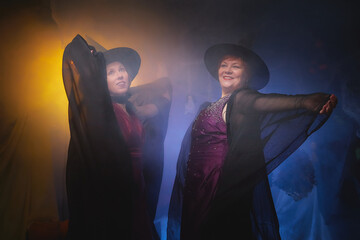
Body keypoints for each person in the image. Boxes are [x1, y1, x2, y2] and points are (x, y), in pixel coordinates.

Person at [167, 43, 337, 240]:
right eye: (224, 64)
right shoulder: (207, 106)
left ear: (247, 75)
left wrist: (304, 102)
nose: (228, 70)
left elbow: (263, 102)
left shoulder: (241, 98)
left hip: (220, 187)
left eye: (236, 66)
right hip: (195, 188)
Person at [62, 34, 170, 240]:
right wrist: (91, 59)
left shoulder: (131, 108)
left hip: (138, 186)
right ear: (101, 81)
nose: (120, 75)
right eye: (111, 72)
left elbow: (165, 91)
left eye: (122, 70)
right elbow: (76, 52)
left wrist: (154, 106)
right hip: (114, 191)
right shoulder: (103, 114)